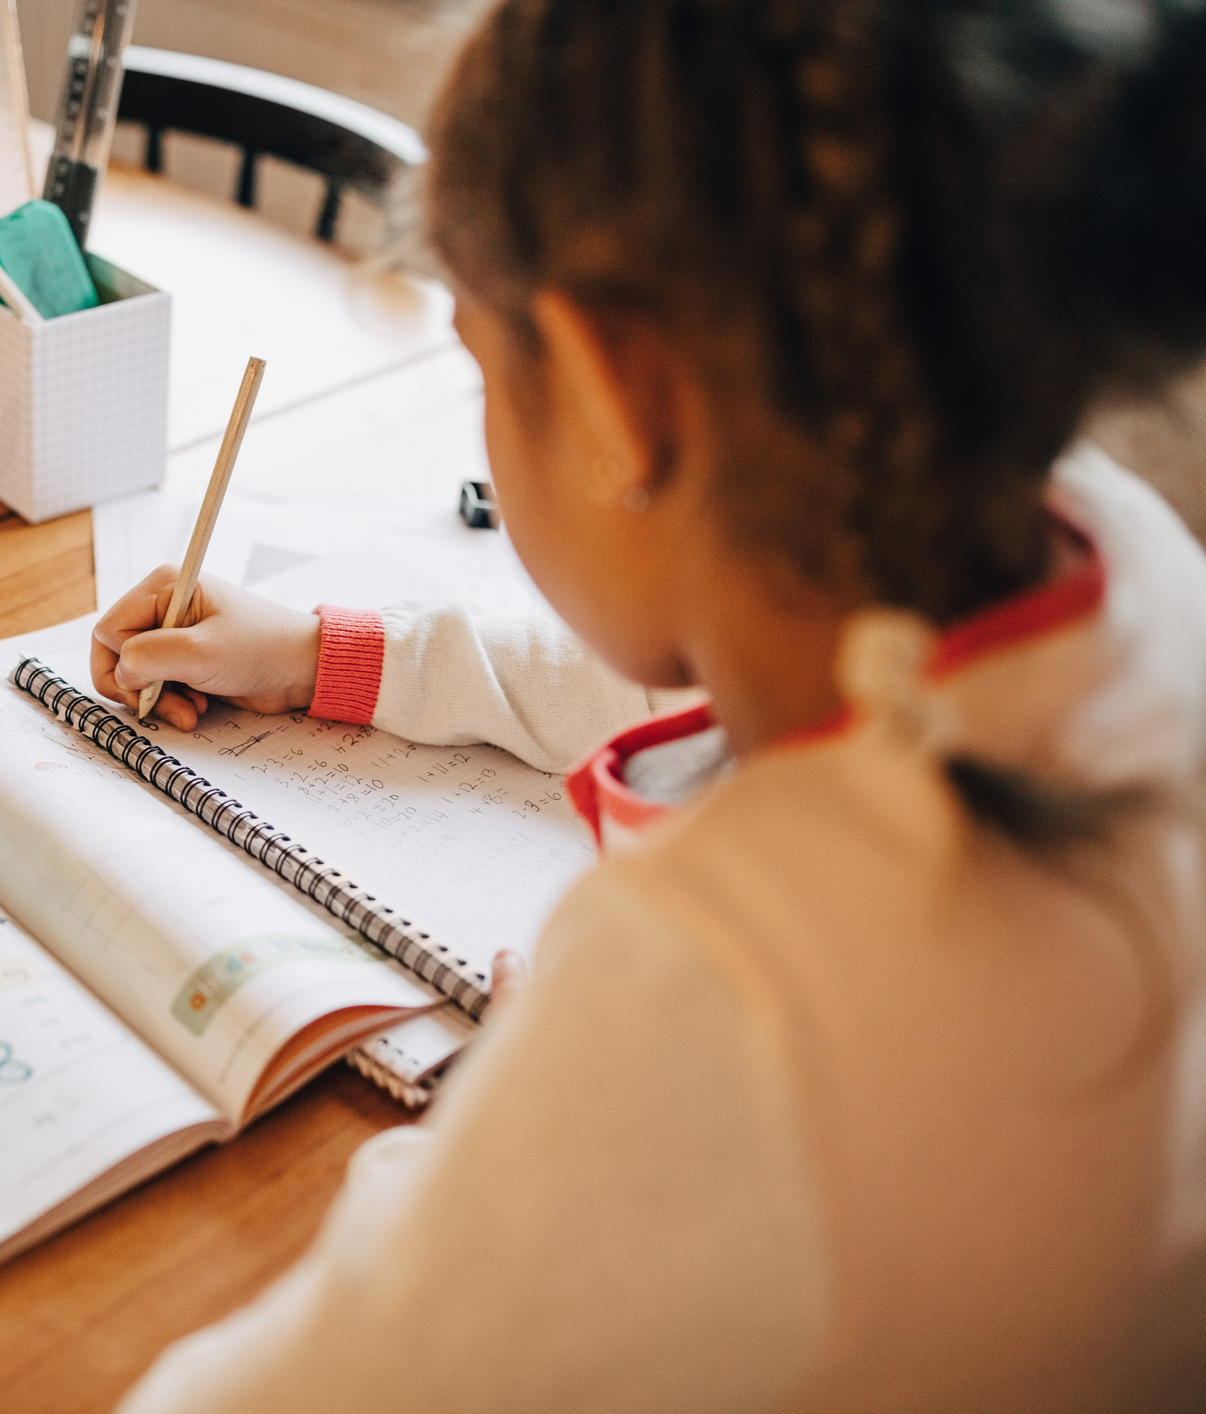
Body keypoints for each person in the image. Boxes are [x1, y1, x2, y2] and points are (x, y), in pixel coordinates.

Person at [96, 1, 1206, 1409]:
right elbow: (715, 665)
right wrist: (327, 651)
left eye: (481, 367)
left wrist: (527, 1091)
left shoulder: (705, 998)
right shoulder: (1124, 565)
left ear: (616, 393)